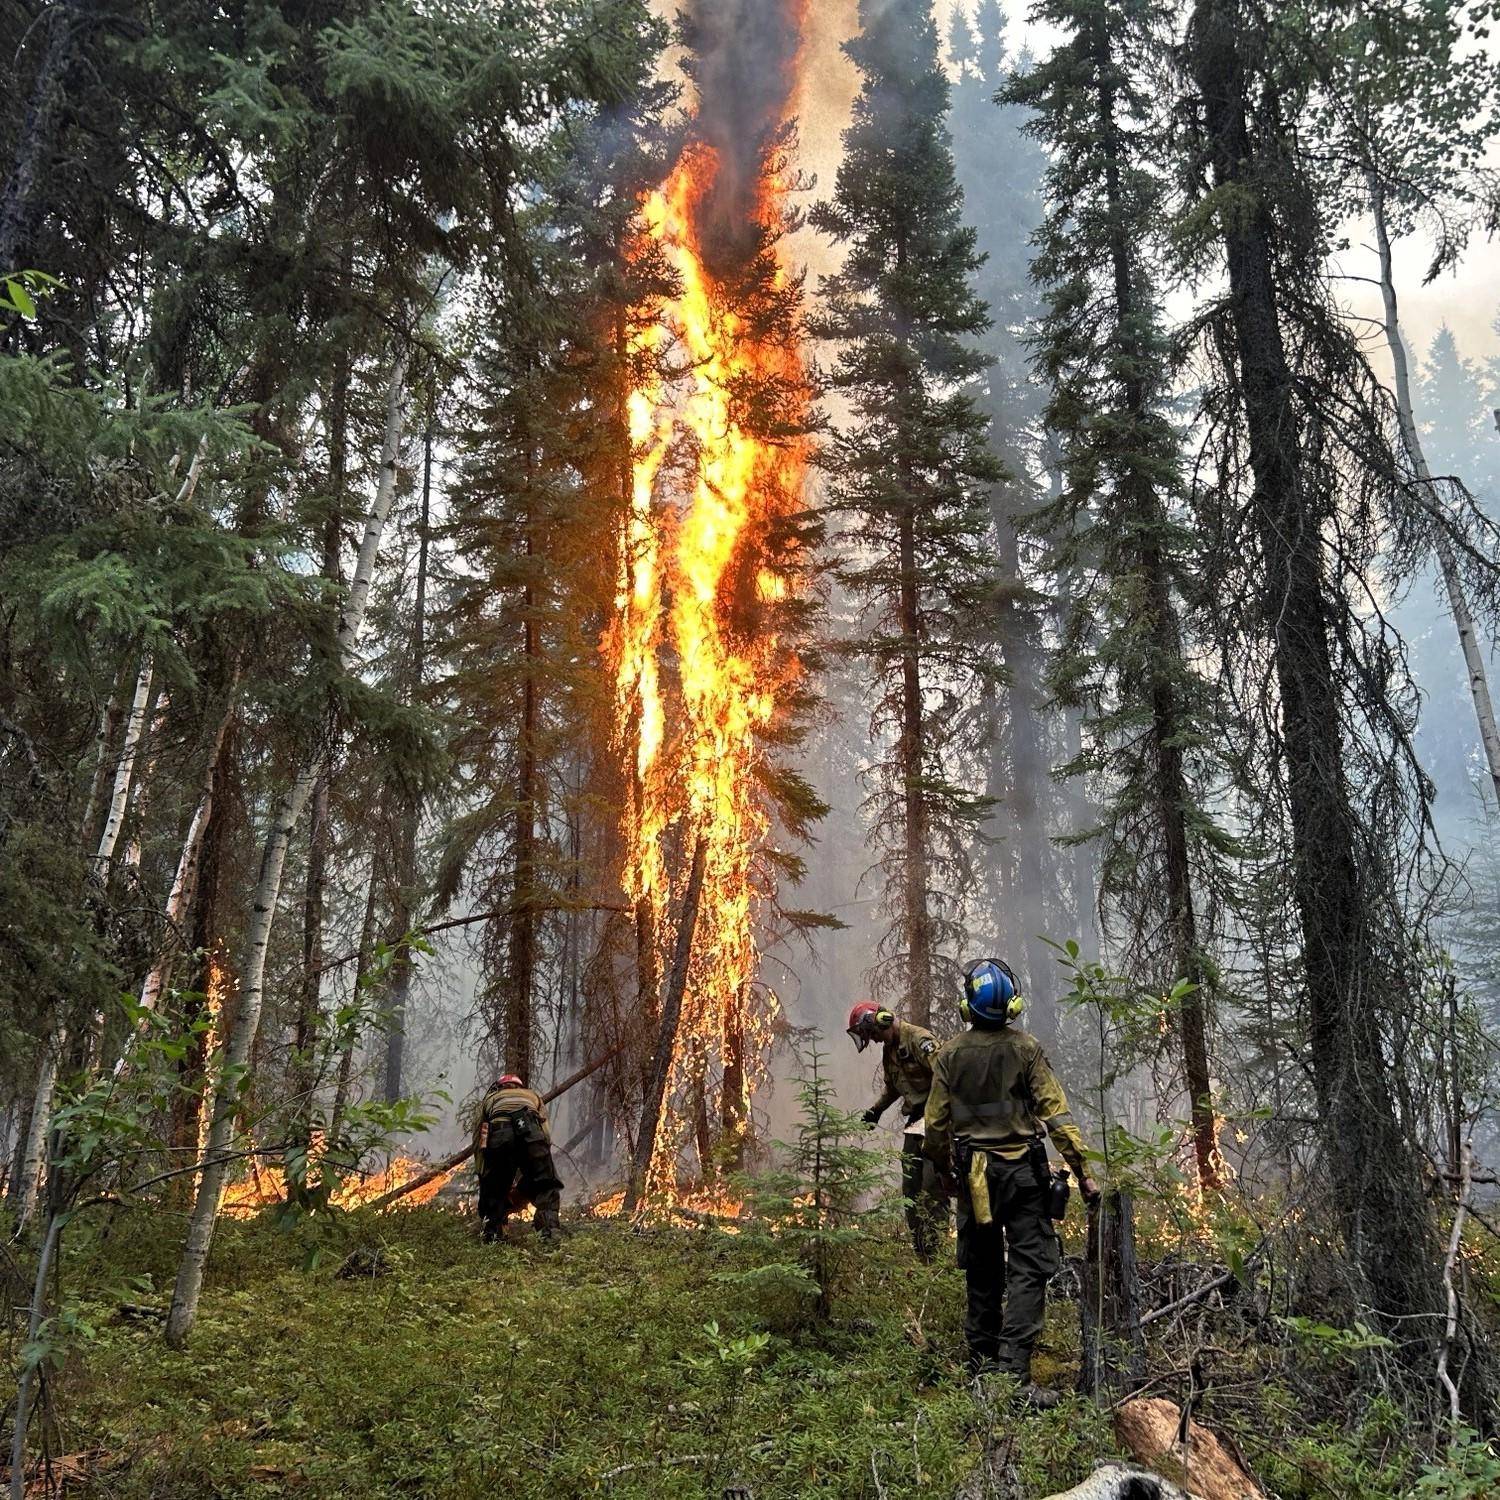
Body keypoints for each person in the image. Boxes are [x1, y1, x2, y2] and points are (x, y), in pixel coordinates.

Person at [924, 959, 1101, 1403]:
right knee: (1028, 1269)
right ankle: (1013, 1371)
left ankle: (982, 1368)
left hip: (976, 1179)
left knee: (983, 1269)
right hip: (1023, 1175)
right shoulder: (1026, 1050)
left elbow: (935, 1128)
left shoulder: (948, 1056)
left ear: (967, 1007)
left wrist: (945, 1174)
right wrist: (1085, 1174)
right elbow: (1056, 1116)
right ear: (1012, 1005)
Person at [847, 1001, 950, 1260]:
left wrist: (939, 1117)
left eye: (875, 1035)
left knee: (932, 1190)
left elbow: (946, 1076)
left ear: (883, 1020)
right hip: (915, 1125)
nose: (877, 1042)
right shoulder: (890, 1050)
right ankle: (923, 1256)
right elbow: (893, 1087)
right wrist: (876, 1110)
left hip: (937, 1123)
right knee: (911, 1192)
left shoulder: (919, 1039)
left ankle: (938, 1257)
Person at [473, 1072, 563, 1243]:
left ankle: (493, 1235)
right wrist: (542, 1162)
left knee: (495, 1188)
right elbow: (545, 1130)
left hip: (499, 1135)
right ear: (519, 1086)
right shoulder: (532, 1096)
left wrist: (483, 1170)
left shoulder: (491, 1099)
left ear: (499, 1087)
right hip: (532, 1133)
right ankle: (549, 1233)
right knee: (545, 1186)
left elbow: (480, 1136)